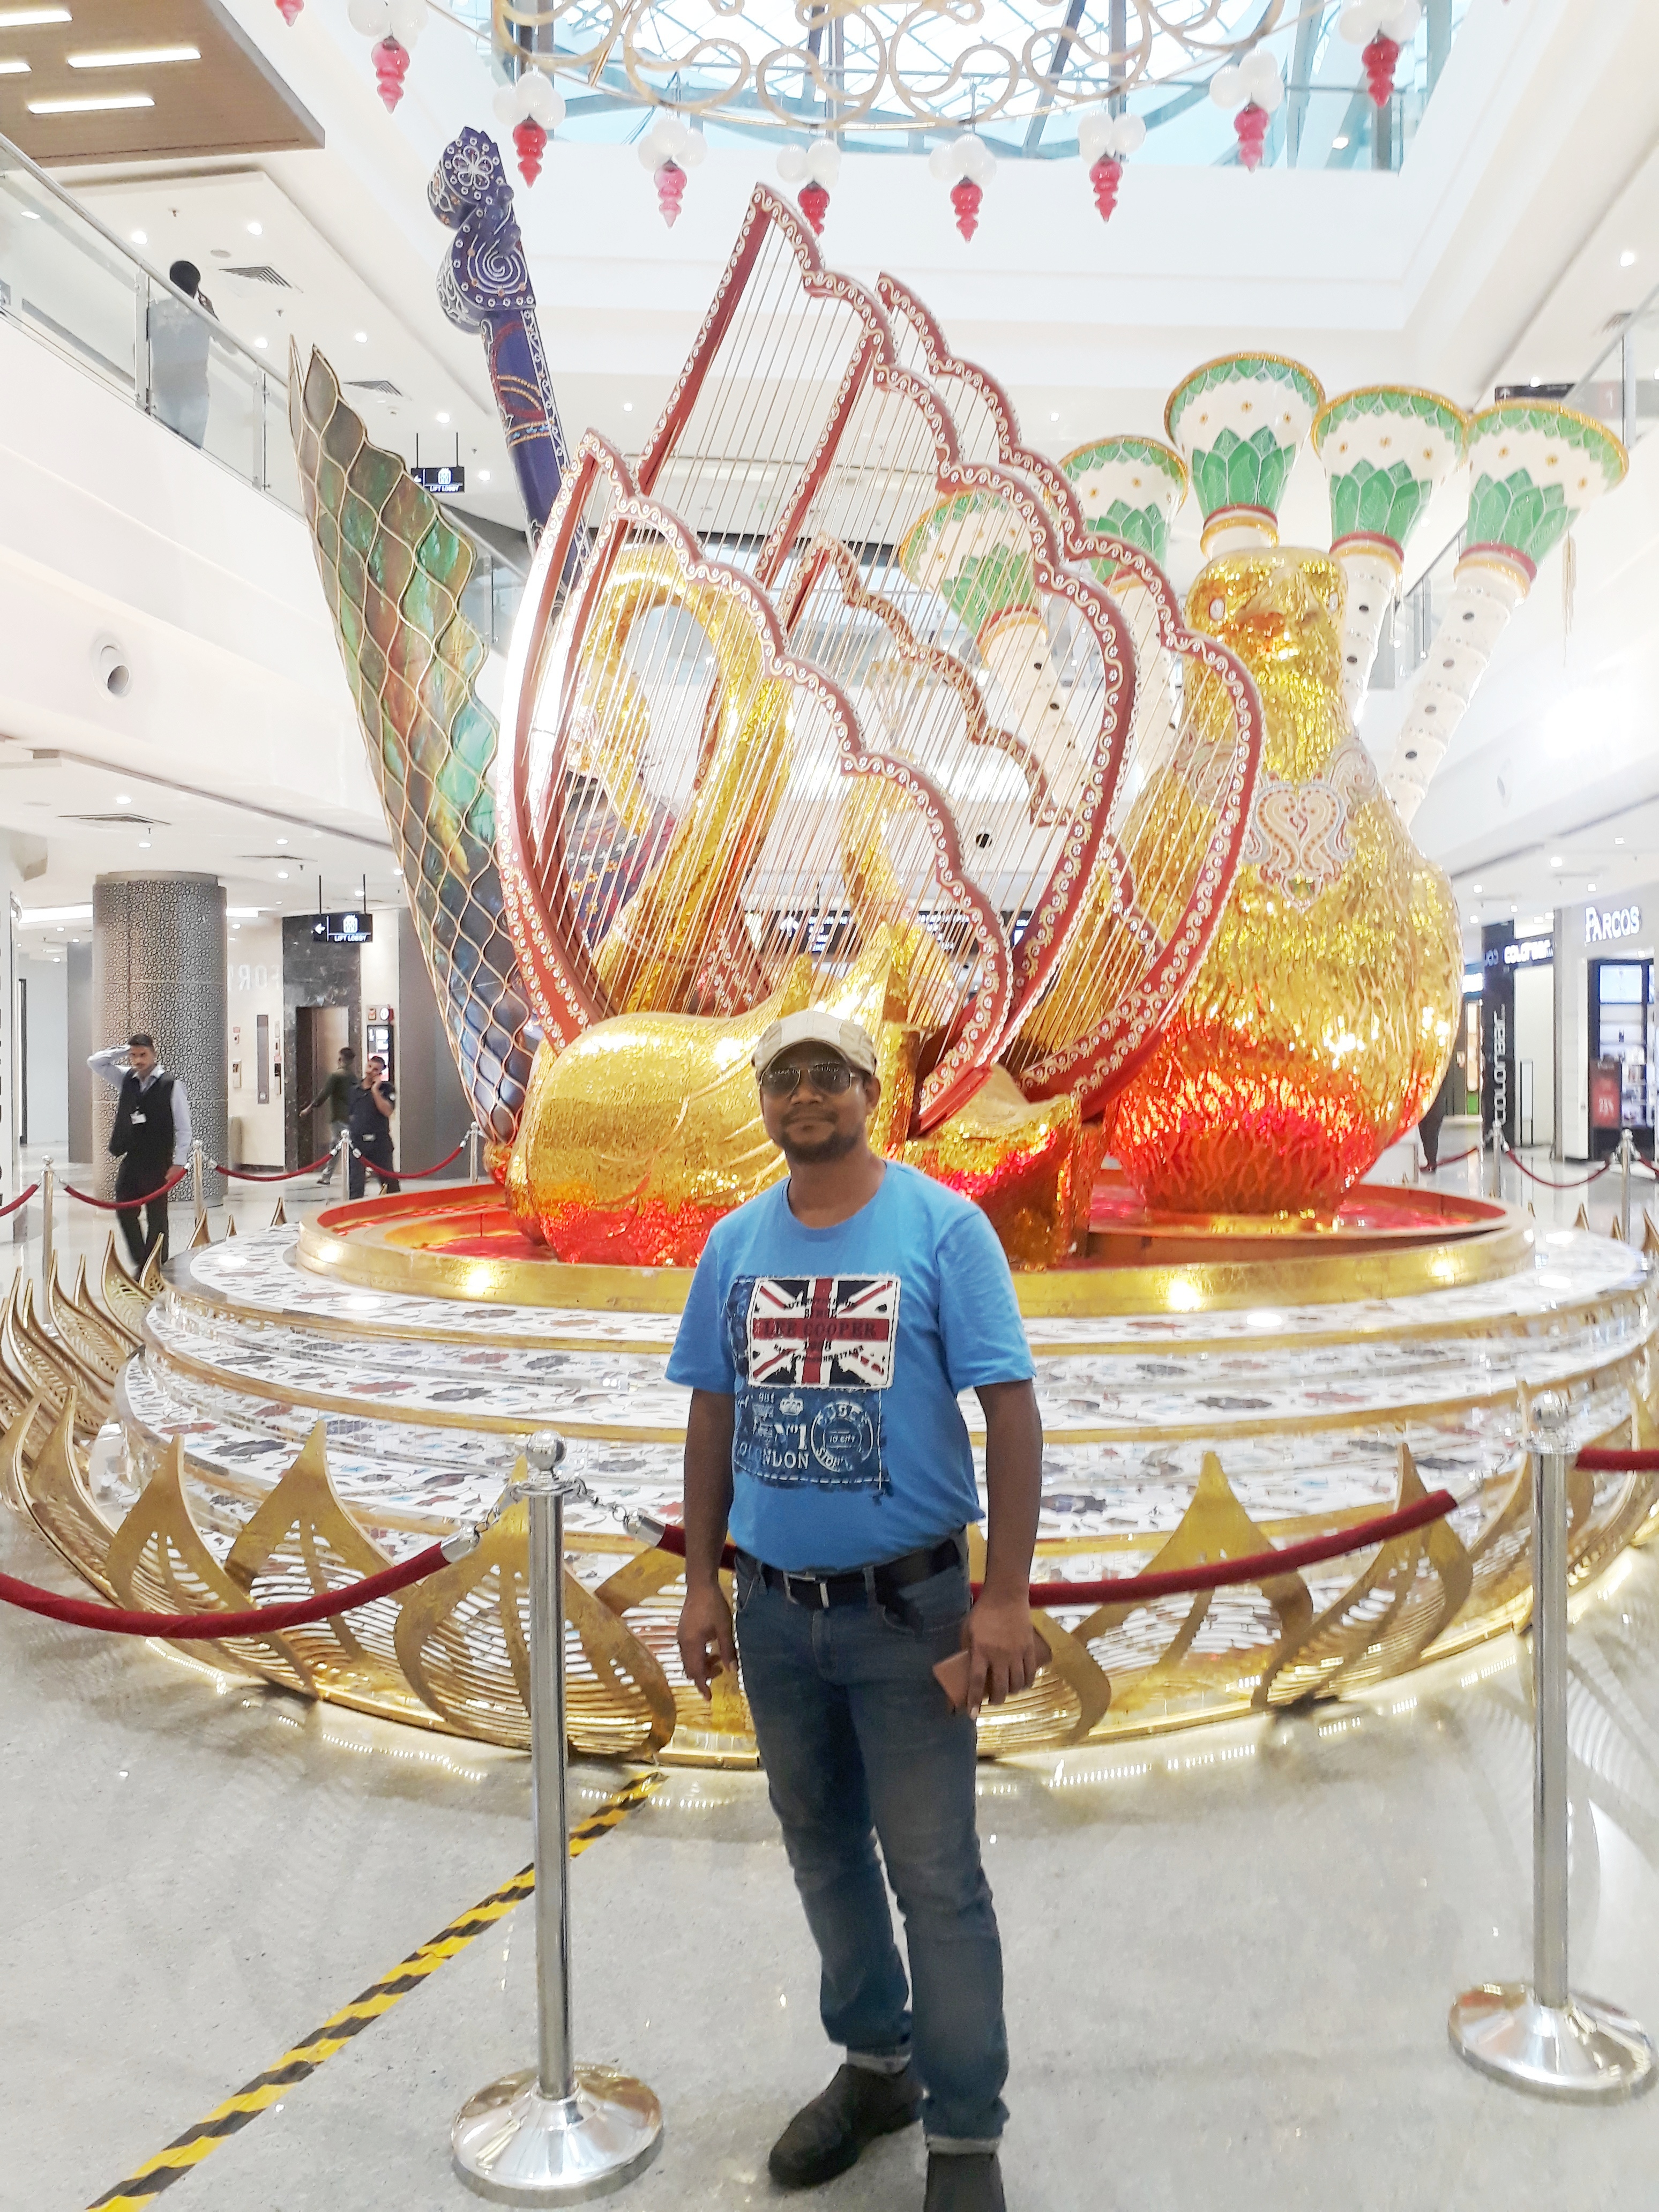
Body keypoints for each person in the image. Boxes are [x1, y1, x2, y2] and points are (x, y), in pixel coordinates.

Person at [669, 1011, 1042, 2212]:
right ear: (763, 1101)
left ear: (872, 1092)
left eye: (829, 1074)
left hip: (908, 1615)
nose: (806, 1094)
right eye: (784, 1077)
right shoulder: (734, 1244)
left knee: (935, 1872)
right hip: (777, 1617)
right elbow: (714, 1411)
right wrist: (701, 1580)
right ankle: (878, 2065)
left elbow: (1011, 1410)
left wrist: (1004, 1596)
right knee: (821, 1845)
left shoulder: (943, 1229)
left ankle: (967, 2134)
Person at [89, 1033, 192, 1271]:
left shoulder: (171, 1085)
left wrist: (179, 1162)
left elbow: (184, 1128)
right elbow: (95, 1063)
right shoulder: (127, 1078)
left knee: (157, 1215)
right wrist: (123, 1051)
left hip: (158, 1159)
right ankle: (142, 1261)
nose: (138, 1060)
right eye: (134, 1055)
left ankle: (158, 1265)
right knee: (124, 1208)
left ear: (154, 1054)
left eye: (143, 1055)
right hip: (133, 1156)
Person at [147, 260, 214, 449]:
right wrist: (212, 314)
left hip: (167, 387)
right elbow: (230, 347)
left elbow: (138, 344)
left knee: (166, 447)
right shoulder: (201, 316)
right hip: (191, 390)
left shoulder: (157, 311)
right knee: (188, 451)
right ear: (196, 288)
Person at [346, 1053, 400, 1198]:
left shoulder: (387, 1089)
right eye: (370, 1066)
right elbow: (350, 1113)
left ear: (381, 1073)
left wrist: (375, 1090)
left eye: (376, 1069)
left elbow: (388, 1111)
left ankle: (394, 1207)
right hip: (358, 1142)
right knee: (356, 1184)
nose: (371, 1071)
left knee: (389, 1182)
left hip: (380, 1142)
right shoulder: (354, 1090)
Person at [307, 1047, 357, 1184]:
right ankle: (359, 1171)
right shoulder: (353, 1077)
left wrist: (309, 1109)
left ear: (340, 1059)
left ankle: (327, 1175)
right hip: (351, 1116)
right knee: (350, 1145)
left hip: (338, 1117)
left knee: (336, 1146)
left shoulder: (336, 1076)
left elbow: (324, 1094)